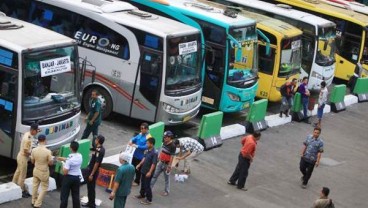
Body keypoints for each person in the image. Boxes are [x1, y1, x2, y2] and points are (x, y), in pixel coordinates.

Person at [12, 123, 39, 198]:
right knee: (22, 175)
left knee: (18, 171)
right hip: (23, 158)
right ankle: (21, 190)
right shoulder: (28, 138)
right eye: (36, 131)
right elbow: (25, 150)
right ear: (33, 130)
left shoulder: (28, 134)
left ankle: (13, 184)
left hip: (20, 157)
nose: (37, 132)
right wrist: (32, 153)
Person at [150, 131, 176, 196]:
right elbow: (162, 150)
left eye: (166, 137)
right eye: (164, 137)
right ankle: (149, 188)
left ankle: (167, 191)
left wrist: (169, 166)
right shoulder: (164, 142)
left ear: (170, 137)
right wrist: (159, 157)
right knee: (154, 176)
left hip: (166, 164)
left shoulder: (173, 146)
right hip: (161, 162)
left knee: (166, 178)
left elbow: (172, 156)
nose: (164, 138)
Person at [31, 134, 53, 208]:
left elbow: (32, 161)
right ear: (45, 140)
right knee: (44, 188)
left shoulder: (34, 150)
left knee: (35, 186)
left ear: (38, 140)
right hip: (44, 171)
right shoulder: (48, 151)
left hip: (36, 169)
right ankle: (37, 203)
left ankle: (33, 200)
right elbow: (50, 163)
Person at [58, 141, 83, 208]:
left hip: (68, 178)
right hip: (76, 178)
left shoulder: (69, 160)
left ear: (71, 148)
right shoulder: (80, 156)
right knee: (76, 196)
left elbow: (65, 172)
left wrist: (63, 164)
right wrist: (63, 159)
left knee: (64, 196)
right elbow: (70, 160)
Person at [83, 135, 105, 208]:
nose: (95, 140)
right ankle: (90, 202)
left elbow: (97, 163)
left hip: (93, 171)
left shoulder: (99, 150)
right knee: (90, 188)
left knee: (91, 188)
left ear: (98, 140)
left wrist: (91, 174)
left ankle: (91, 204)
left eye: (96, 139)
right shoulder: (100, 148)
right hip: (92, 169)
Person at [135, 137, 158, 205]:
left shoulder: (154, 153)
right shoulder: (147, 150)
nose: (146, 144)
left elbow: (154, 164)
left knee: (147, 185)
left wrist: (150, 172)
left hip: (148, 172)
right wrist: (139, 164)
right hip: (143, 170)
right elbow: (144, 158)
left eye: (147, 143)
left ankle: (149, 199)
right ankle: (142, 194)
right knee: (142, 183)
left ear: (152, 144)